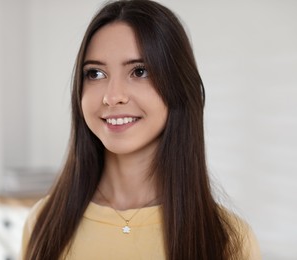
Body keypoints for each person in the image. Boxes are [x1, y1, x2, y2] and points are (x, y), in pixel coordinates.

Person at [20, 0, 261, 259]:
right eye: (96, 74)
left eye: (139, 71)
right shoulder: (43, 223)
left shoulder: (229, 239)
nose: (113, 97)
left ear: (178, 85)